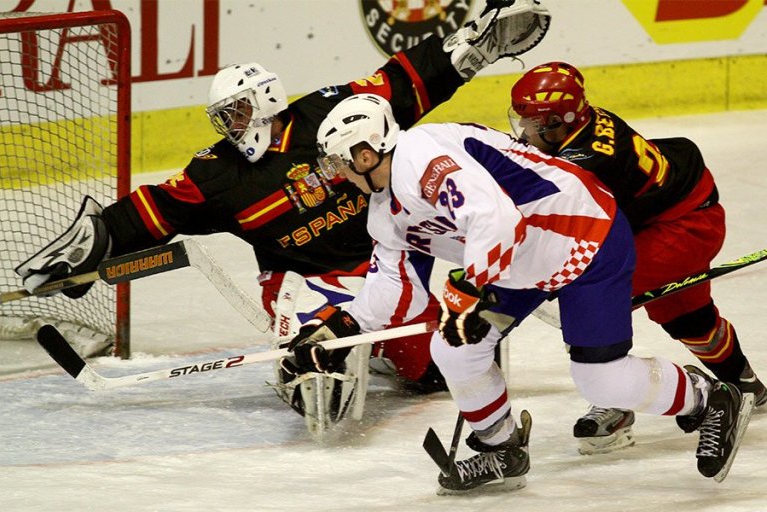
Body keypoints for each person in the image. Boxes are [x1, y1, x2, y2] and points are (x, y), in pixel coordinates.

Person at [13, 1, 551, 436]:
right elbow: (155, 210)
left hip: (380, 264)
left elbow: (403, 83)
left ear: (267, 100)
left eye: (238, 111)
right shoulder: (217, 174)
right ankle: (322, 356)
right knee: (315, 382)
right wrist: (93, 245)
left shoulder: (328, 114)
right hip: (299, 280)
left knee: (429, 374)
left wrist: (469, 49)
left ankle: (387, 345)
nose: (230, 125)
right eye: (224, 117)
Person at [281, 92, 754, 494]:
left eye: (339, 160)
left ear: (365, 153)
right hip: (518, 258)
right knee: (453, 346)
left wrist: (470, 286)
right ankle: (500, 447)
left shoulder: (421, 156)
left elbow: (494, 218)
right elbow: (395, 290)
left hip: (582, 233)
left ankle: (709, 397)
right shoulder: (384, 211)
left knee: (599, 379)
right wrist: (334, 333)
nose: (337, 173)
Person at [508, 61, 766, 455]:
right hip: (664, 213)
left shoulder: (586, 163)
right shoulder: (581, 128)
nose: (524, 132)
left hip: (685, 224)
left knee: (590, 298)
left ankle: (615, 397)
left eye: (532, 124)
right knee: (686, 318)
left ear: (558, 123)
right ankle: (743, 382)